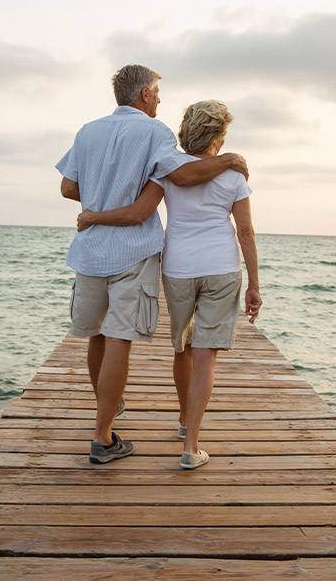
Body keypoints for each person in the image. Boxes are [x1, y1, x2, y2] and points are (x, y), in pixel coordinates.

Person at [56, 66, 249, 465]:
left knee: (95, 335)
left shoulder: (87, 130)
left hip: (90, 252)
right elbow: (182, 173)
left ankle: (107, 414)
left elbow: (68, 187)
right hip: (131, 251)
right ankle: (102, 437)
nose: (160, 99)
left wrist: (96, 206)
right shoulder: (154, 133)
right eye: (157, 92)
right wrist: (229, 158)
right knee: (118, 338)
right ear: (144, 94)